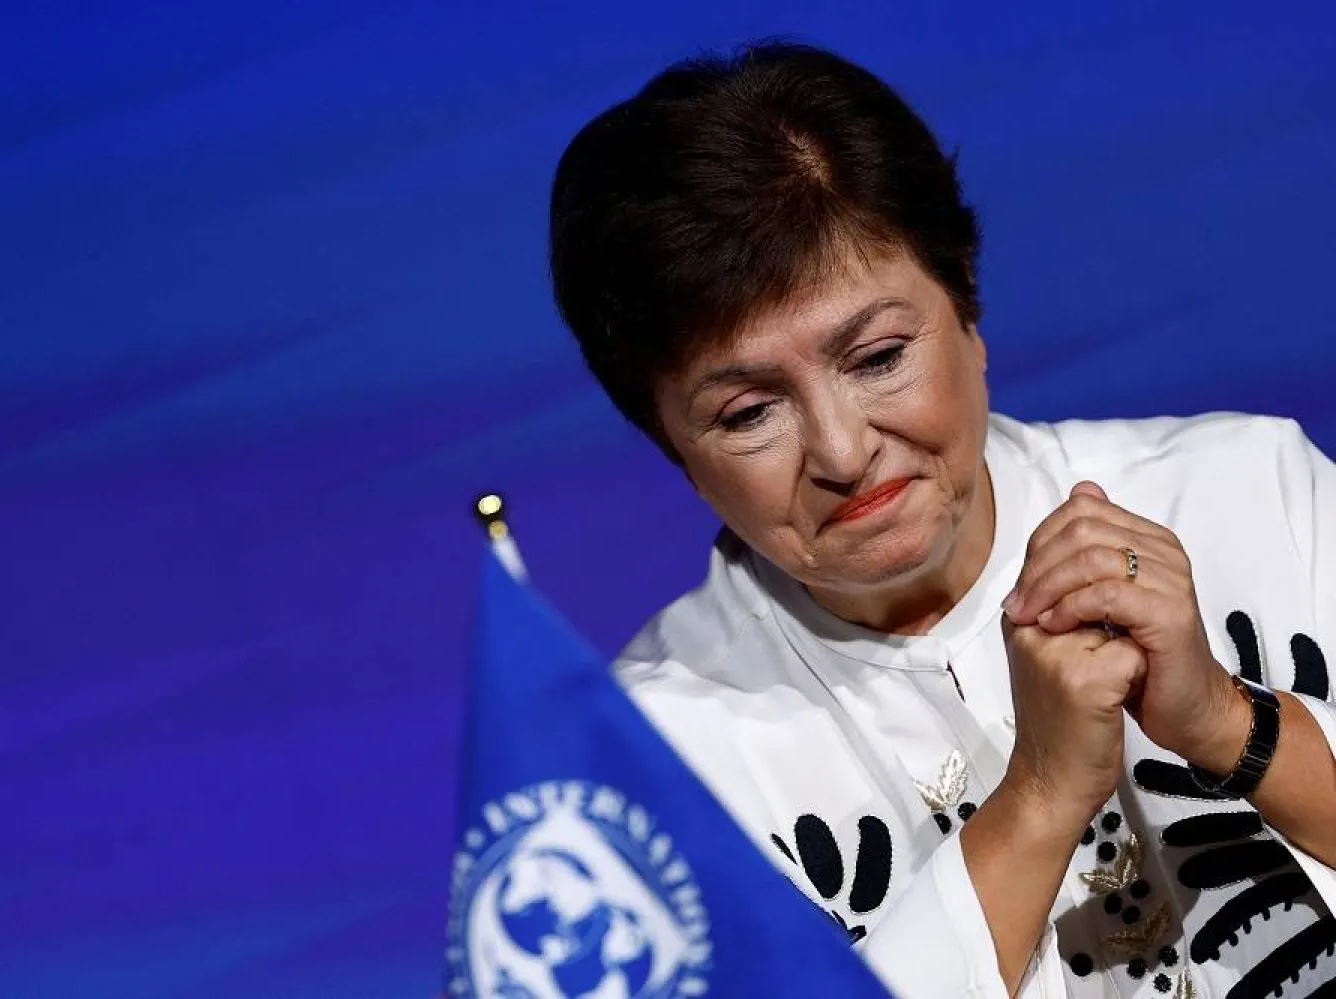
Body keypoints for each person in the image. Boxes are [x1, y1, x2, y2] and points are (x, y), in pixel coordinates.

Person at [548, 42, 1336, 998]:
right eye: (751, 413)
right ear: (672, 447)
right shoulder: (651, 763)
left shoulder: (1246, 492)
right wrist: (1039, 800)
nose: (842, 451)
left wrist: (1223, 718)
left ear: (968, 301)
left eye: (877, 356)